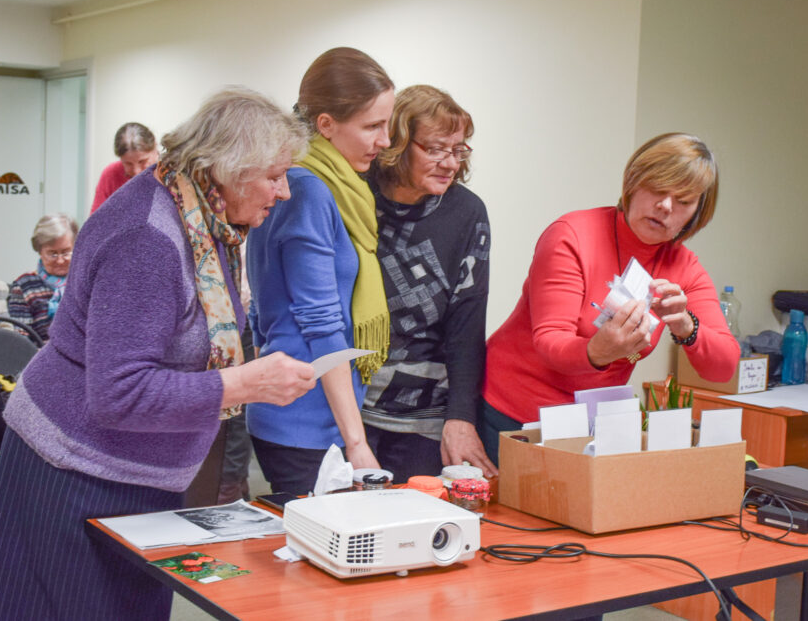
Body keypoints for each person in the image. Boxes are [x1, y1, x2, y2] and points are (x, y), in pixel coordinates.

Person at [0, 87, 316, 621]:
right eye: (274, 175)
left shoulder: (204, 218)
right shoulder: (148, 238)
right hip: (73, 470)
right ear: (227, 167)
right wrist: (246, 383)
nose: (285, 191)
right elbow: (119, 393)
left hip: (135, 473)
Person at [480, 132, 740, 465]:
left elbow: (724, 367)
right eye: (658, 189)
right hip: (514, 413)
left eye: (684, 200)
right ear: (633, 182)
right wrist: (599, 351)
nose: (665, 206)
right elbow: (550, 341)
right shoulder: (573, 234)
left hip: (589, 424)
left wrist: (688, 327)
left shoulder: (684, 267)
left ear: (696, 213)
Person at [246, 47, 394, 495]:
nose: (385, 140)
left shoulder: (304, 181)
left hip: (303, 409)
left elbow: (261, 311)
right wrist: (357, 444)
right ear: (326, 124)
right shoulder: (309, 192)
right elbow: (322, 325)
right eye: (372, 126)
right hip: (305, 419)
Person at [362, 85, 496, 482]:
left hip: (425, 418)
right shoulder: (357, 198)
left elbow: (467, 325)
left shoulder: (467, 212)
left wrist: (460, 416)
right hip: (351, 409)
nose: (450, 163)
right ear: (398, 143)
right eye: (436, 148)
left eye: (458, 150)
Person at [7, 213, 78, 341]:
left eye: (66, 252)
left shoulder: (84, 281)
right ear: (40, 251)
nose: (60, 260)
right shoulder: (24, 286)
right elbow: (22, 340)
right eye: (53, 254)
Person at [90, 122, 159, 213]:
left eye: (142, 161)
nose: (136, 171)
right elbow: (96, 221)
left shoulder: (171, 174)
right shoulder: (111, 174)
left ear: (155, 148)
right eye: (128, 164)